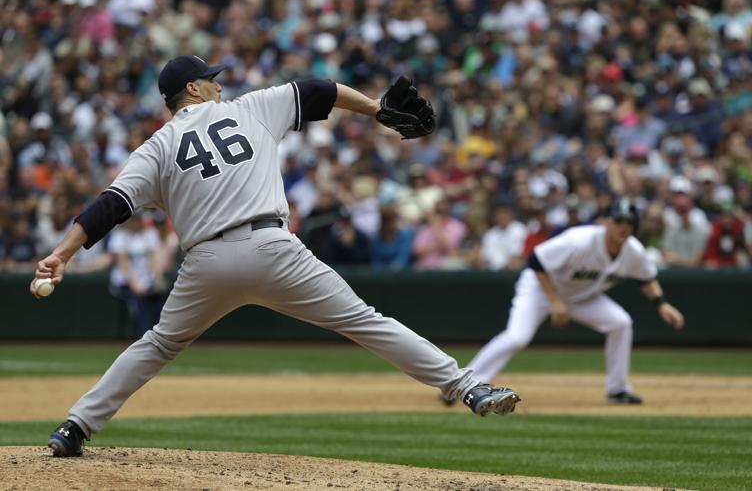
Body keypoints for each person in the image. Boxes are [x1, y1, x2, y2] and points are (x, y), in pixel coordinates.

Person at [31, 55, 520, 457]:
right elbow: (321, 89)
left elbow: (108, 207)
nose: (219, 86)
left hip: (207, 263)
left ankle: (74, 427)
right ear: (194, 90)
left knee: (157, 345)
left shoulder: (155, 149)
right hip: (273, 248)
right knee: (365, 322)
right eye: (211, 80)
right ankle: (467, 387)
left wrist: (62, 253)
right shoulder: (251, 108)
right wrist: (377, 111)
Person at [452, 199, 684, 405]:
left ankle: (618, 389)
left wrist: (661, 303)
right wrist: (555, 301)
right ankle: (464, 385)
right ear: (607, 222)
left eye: (629, 222)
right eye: (619, 220)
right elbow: (536, 261)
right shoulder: (579, 240)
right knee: (517, 337)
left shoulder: (633, 251)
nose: (624, 226)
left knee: (621, 323)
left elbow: (647, 279)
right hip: (539, 290)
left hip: (582, 297)